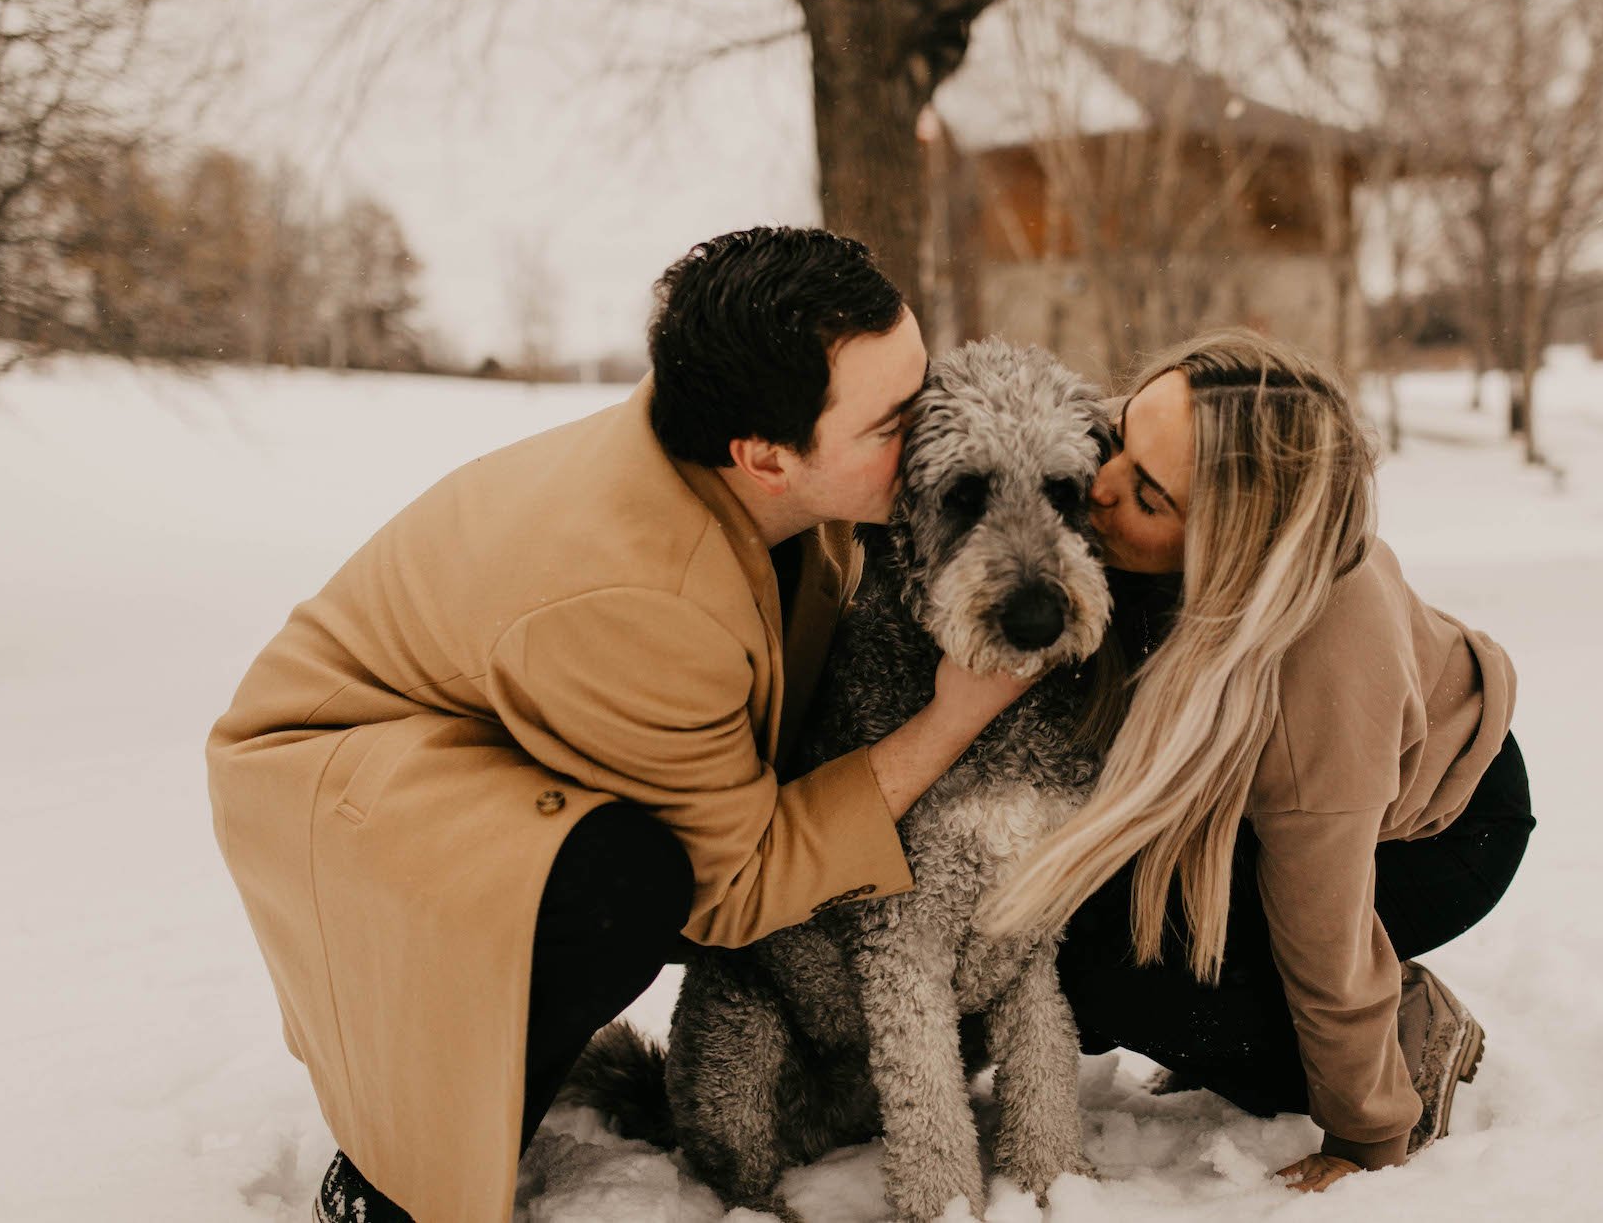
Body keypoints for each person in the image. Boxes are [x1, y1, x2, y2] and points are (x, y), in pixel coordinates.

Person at [206, 227, 1033, 1223]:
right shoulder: (649, 596)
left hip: (499, 720)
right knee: (621, 885)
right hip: (347, 775)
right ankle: (391, 1179)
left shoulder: (745, 438)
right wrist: (948, 721)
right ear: (766, 458)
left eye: (924, 377)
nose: (932, 422)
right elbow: (735, 887)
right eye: (897, 418)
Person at [981, 330, 1533, 1195]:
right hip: (1295, 779)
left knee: (1124, 976)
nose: (1099, 483)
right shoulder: (1131, 482)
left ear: (1227, 553)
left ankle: (1409, 1027)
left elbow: (1328, 938)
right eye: (1123, 431)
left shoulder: (1317, 678)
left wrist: (1365, 1134)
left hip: (1438, 826)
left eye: (1150, 496)